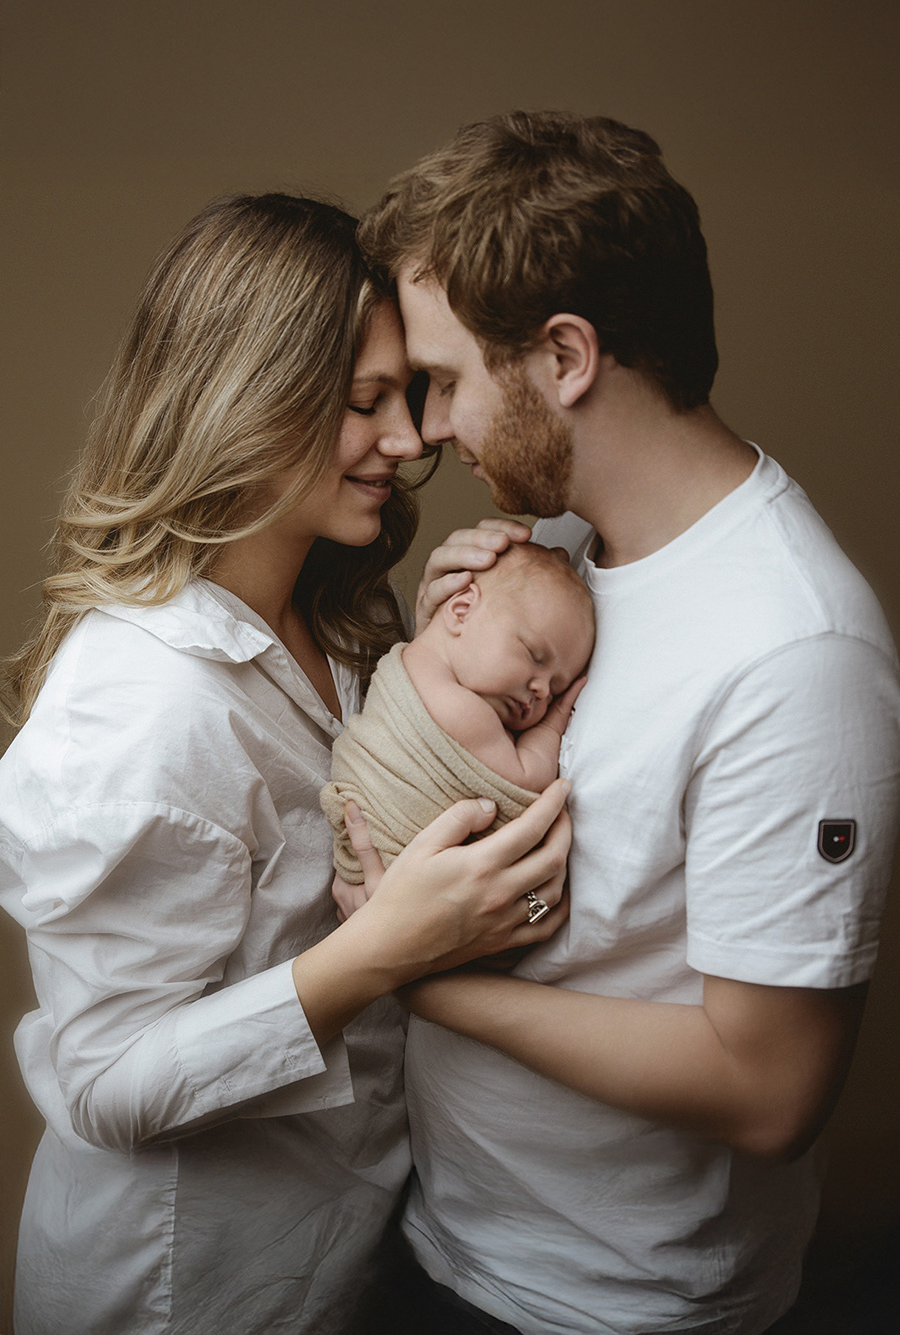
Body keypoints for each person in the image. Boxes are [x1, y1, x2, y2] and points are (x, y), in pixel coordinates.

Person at [354, 112, 900, 1334]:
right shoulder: (555, 551)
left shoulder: (795, 650)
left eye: (446, 380)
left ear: (565, 356)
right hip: (444, 1230)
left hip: (605, 1305)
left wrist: (420, 981)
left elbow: (770, 1088)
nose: (431, 428)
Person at [0, 192, 573, 1335]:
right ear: (246, 401)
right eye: (366, 405)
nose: (411, 443)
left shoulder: (332, 618)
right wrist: (385, 951)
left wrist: (458, 640)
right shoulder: (141, 706)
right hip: (178, 1286)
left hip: (334, 1248)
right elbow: (108, 1088)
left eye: (405, 398)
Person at [322, 542, 593, 885]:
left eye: (556, 687)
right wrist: (554, 724)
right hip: (399, 867)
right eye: (535, 656)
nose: (542, 690)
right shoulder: (465, 711)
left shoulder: (408, 658)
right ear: (461, 610)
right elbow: (527, 777)